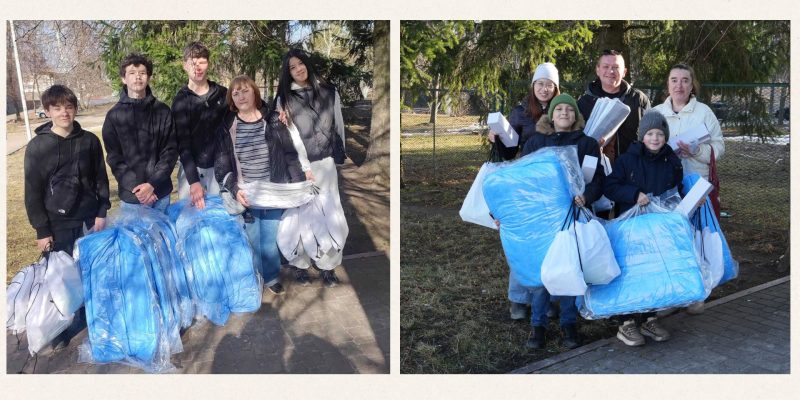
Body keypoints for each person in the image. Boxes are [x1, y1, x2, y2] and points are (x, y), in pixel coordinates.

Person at [518, 93, 605, 350]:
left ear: (576, 116)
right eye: (559, 109)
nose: (564, 113)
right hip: (543, 217)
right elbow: (523, 178)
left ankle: (568, 323)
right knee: (544, 270)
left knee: (570, 267)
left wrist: (586, 196)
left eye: (569, 109)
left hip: (574, 216)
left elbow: (597, 179)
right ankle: (538, 325)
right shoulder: (536, 142)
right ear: (551, 115)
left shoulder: (587, 144)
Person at [214, 75, 306, 296]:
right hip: (247, 193)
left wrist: (299, 184)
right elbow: (221, 163)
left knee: (270, 239)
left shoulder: (273, 120)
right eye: (235, 93)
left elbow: (290, 154)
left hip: (273, 191)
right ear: (231, 100)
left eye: (245, 90)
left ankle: (272, 276)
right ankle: (256, 276)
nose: (241, 96)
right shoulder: (227, 125)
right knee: (253, 240)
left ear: (255, 92)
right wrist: (235, 190)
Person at [488, 63, 560, 321]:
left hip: (551, 187)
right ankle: (518, 299)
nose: (544, 88)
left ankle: (548, 296)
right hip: (524, 185)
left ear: (555, 87)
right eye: (540, 83)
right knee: (521, 239)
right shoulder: (519, 113)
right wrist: (497, 138)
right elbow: (509, 151)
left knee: (549, 242)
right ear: (533, 86)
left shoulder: (561, 110)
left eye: (549, 84)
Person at [603, 110, 683, 345]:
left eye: (660, 134)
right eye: (650, 133)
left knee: (653, 270)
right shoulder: (628, 159)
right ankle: (626, 322)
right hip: (630, 226)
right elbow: (611, 186)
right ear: (641, 136)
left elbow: (676, 190)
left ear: (666, 137)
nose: (655, 138)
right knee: (630, 271)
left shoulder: (672, 162)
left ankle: (649, 318)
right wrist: (633, 194)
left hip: (657, 228)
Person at [653, 63, 725, 315]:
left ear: (692, 84)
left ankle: (697, 291)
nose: (679, 85)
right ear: (668, 84)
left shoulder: (703, 112)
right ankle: (673, 294)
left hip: (696, 185)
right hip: (665, 187)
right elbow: (645, 145)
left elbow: (720, 148)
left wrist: (697, 150)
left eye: (685, 80)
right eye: (674, 80)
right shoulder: (657, 112)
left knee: (696, 237)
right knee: (672, 239)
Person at [276, 48, 348, 288]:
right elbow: (283, 135)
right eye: (292, 68)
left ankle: (328, 266)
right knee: (299, 219)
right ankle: (300, 264)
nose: (298, 70)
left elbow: (339, 126)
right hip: (299, 168)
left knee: (330, 217)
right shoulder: (285, 98)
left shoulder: (328, 92)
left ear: (307, 64)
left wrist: (339, 154)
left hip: (325, 165)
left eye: (300, 64)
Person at [24, 85, 111, 255]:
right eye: (57, 108)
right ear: (48, 112)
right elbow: (32, 192)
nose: (64, 113)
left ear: (75, 109)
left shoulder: (90, 141)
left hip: (90, 220)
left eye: (69, 107)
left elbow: (100, 179)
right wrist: (42, 230)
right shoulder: (37, 146)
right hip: (57, 225)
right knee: (65, 276)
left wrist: (102, 212)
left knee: (92, 273)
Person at [103, 53, 178, 212]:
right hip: (132, 198)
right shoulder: (114, 116)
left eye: (142, 73)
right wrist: (138, 189)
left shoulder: (162, 111)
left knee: (161, 237)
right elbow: (115, 158)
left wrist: (152, 184)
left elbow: (170, 152)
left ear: (148, 77)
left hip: (160, 193)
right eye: (132, 73)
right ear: (124, 78)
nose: (138, 77)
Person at [172, 42, 229, 209]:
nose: (197, 67)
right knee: (190, 223)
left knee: (220, 222)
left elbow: (250, 105)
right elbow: (182, 145)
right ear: (185, 66)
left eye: (202, 61)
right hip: (191, 173)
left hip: (220, 171)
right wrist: (193, 181)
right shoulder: (180, 101)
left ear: (208, 64)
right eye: (192, 62)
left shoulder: (223, 94)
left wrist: (279, 111)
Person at [577, 49, 651, 164]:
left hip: (631, 168)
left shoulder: (638, 100)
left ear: (624, 72)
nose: (611, 71)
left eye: (616, 67)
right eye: (606, 66)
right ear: (598, 70)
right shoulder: (584, 102)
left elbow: (650, 133)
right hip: (595, 169)